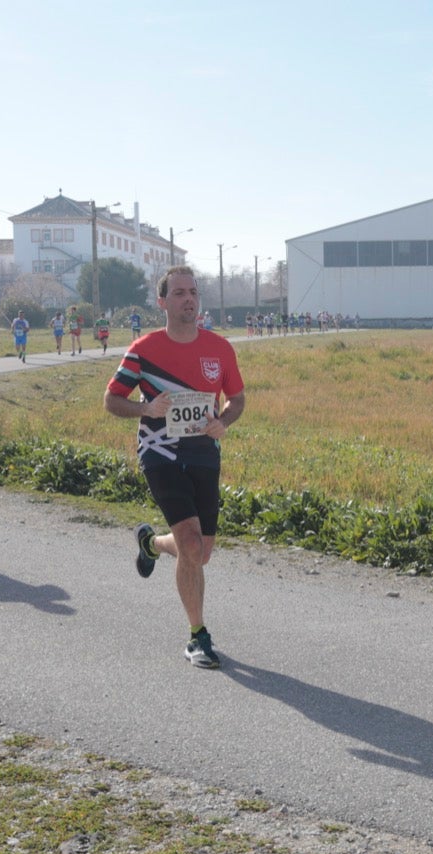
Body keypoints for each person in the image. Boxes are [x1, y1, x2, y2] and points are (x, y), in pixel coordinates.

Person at [104, 265, 245, 669]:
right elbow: (112, 401)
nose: (189, 299)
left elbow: (236, 400)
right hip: (160, 452)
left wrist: (223, 421)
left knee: (201, 553)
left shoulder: (220, 348)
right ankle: (198, 636)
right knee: (191, 544)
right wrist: (145, 409)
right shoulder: (143, 349)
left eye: (194, 292)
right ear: (162, 302)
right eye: (180, 293)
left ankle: (151, 544)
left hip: (203, 451)